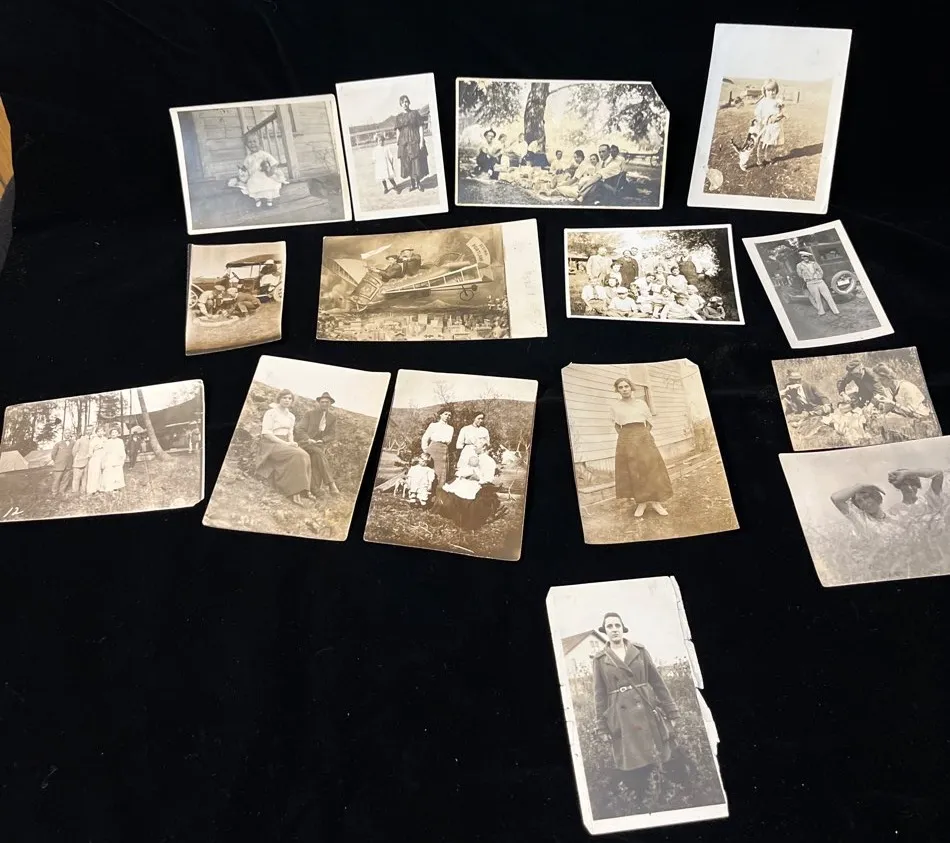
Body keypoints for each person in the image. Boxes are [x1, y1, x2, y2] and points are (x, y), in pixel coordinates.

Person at [592, 612, 680, 798]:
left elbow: (657, 682)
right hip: (621, 716)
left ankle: (665, 795)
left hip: (646, 709)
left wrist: (671, 711)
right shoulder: (600, 659)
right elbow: (599, 695)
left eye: (617, 625)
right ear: (605, 631)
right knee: (633, 762)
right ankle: (642, 798)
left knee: (658, 755)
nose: (614, 629)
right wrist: (602, 726)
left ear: (623, 628)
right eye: (609, 626)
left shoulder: (639, 651)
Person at [611, 378, 672, 517]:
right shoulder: (615, 406)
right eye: (621, 387)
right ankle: (641, 503)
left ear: (631, 387)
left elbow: (649, 423)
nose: (624, 389)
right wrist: (627, 438)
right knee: (634, 470)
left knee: (651, 468)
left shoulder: (641, 403)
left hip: (643, 436)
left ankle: (656, 502)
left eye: (626, 386)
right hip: (626, 439)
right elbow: (617, 425)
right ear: (617, 390)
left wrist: (642, 436)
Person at [256, 389, 312, 506]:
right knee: (298, 455)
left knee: (305, 455)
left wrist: (292, 442)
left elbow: (290, 432)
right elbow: (266, 434)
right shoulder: (271, 413)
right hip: (271, 443)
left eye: (289, 398)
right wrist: (286, 444)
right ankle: (293, 492)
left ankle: (304, 489)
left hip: (285, 442)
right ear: (279, 399)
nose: (287, 400)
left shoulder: (291, 416)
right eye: (284, 398)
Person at [435, 441, 503, 531]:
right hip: (468, 482)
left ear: (484, 448)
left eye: (476, 446)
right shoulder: (474, 458)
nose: (473, 448)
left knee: (462, 494)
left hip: (479, 485)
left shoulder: (488, 461)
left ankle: (462, 517)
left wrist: (477, 478)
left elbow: (487, 480)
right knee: (449, 491)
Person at [294, 391, 340, 496]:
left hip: (318, 445)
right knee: (319, 453)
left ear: (330, 404)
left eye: (327, 402)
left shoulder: (332, 418)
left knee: (316, 457)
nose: (324, 404)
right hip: (305, 442)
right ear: (319, 402)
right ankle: (331, 484)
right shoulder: (310, 414)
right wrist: (308, 439)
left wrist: (323, 440)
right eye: (322, 402)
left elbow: (332, 434)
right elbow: (299, 429)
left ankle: (314, 489)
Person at [227, 134, 285, 209]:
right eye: (250, 142)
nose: (252, 144)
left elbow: (273, 162)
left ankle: (269, 200)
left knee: (269, 184)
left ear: (259, 143)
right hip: (254, 177)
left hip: (264, 175)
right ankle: (257, 199)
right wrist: (243, 171)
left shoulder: (264, 154)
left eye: (254, 141)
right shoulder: (248, 158)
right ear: (246, 145)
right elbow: (245, 168)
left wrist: (271, 171)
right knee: (251, 185)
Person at [393, 94, 428, 192]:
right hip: (404, 143)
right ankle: (412, 184)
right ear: (400, 104)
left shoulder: (415, 113)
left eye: (406, 101)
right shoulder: (398, 117)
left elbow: (420, 127)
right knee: (407, 163)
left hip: (414, 140)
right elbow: (398, 131)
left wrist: (421, 141)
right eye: (402, 102)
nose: (405, 104)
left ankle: (419, 183)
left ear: (409, 102)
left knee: (416, 162)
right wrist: (398, 143)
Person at [752, 78, 786, 167]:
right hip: (764, 126)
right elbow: (757, 113)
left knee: (770, 143)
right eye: (768, 90)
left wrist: (779, 115)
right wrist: (762, 120)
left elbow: (782, 112)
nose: (771, 93)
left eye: (773, 90)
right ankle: (759, 160)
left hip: (774, 127)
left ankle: (767, 157)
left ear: (776, 90)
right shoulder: (763, 102)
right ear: (765, 91)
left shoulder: (778, 101)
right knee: (761, 143)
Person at [795, 250, 839, 317]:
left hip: (820, 281)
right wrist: (807, 278)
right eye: (804, 256)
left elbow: (820, 271)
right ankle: (821, 312)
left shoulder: (814, 263)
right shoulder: (799, 265)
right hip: (810, 283)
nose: (806, 258)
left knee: (828, 297)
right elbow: (799, 274)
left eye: (807, 256)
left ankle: (836, 311)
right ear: (801, 257)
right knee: (817, 298)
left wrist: (819, 277)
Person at [421, 407, 455, 484]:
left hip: (444, 450)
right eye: (445, 414)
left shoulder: (450, 428)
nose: (447, 416)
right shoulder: (433, 425)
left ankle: (439, 489)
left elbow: (449, 441)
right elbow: (425, 438)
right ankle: (429, 489)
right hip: (433, 449)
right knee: (432, 470)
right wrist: (425, 450)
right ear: (440, 415)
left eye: (449, 415)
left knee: (442, 471)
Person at [100, 428, 127, 492]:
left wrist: (122, 459)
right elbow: (105, 451)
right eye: (112, 432)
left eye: (115, 432)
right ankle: (110, 487)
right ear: (110, 434)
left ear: (118, 433)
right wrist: (104, 460)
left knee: (117, 473)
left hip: (118, 458)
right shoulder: (108, 441)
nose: (114, 434)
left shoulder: (120, 441)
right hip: (110, 458)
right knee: (109, 473)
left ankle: (116, 487)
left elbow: (122, 450)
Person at [85, 428, 106, 495]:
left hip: (103, 457)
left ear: (104, 432)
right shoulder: (94, 440)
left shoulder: (105, 439)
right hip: (95, 458)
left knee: (102, 473)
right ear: (96, 433)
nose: (100, 432)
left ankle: (100, 488)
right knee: (95, 473)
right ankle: (92, 489)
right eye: (98, 431)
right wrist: (92, 453)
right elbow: (90, 450)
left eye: (101, 431)